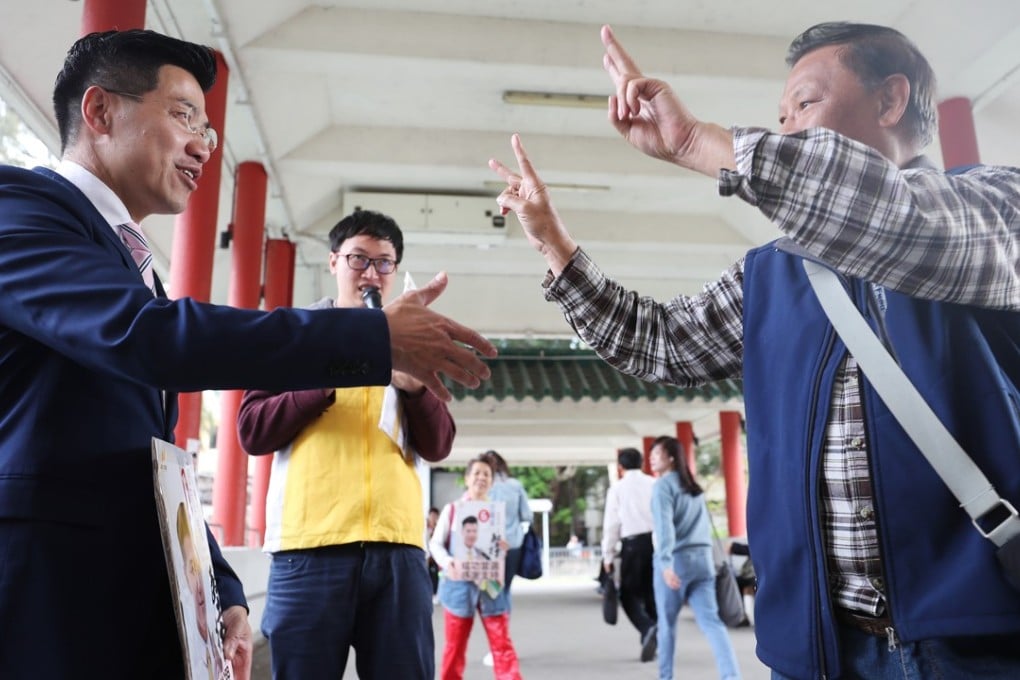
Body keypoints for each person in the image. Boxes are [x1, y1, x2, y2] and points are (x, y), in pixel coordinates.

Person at [490, 20, 1020, 680]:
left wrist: (691, 140)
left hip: (980, 640)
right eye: (779, 114)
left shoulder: (996, 208)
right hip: (818, 648)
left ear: (890, 101)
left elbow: (895, 218)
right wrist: (555, 248)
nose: (789, 127)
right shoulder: (770, 274)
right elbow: (663, 344)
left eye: (805, 103)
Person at [0, 28, 494, 680]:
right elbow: (151, 339)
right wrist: (370, 339)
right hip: (44, 590)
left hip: (134, 591)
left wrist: (219, 582)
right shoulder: (21, 207)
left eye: (207, 125)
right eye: (183, 116)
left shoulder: (134, 265)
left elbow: (150, 457)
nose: (205, 145)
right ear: (100, 112)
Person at [236, 209, 456, 680]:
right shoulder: (293, 334)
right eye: (359, 259)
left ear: (395, 272)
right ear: (333, 262)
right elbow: (252, 430)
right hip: (307, 548)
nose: (371, 273)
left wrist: (415, 387)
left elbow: (439, 445)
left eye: (384, 262)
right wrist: (333, 374)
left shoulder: (410, 347)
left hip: (399, 550)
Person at [649, 436, 741, 680]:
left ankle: (665, 677)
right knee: (712, 623)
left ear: (670, 458)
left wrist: (666, 564)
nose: (651, 458)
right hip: (703, 561)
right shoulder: (693, 486)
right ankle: (731, 676)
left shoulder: (662, 487)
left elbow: (664, 528)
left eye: (656, 454)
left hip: (676, 561)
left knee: (667, 626)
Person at [430, 457, 522, 680]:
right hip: (458, 587)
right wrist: (448, 562)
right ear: (467, 478)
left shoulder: (495, 515)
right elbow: (435, 544)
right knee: (455, 648)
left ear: (492, 482)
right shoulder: (453, 510)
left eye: (487, 475)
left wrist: (502, 548)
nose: (481, 478)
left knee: (502, 645)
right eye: (477, 473)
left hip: (490, 586)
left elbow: (495, 552)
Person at [600, 447, 658, 662]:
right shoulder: (654, 484)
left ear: (620, 467)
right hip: (655, 543)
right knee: (652, 592)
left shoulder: (617, 489)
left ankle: (647, 628)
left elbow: (611, 525)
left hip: (632, 545)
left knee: (628, 594)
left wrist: (607, 556)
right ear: (643, 463)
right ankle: (652, 633)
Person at [480, 449, 533, 598]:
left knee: (491, 589)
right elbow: (527, 515)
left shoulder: (483, 486)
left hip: (488, 545)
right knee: (506, 586)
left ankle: (494, 614)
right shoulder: (515, 485)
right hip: (512, 543)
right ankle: (503, 616)